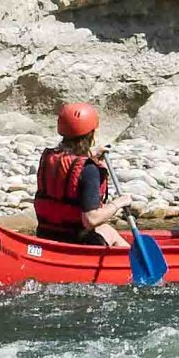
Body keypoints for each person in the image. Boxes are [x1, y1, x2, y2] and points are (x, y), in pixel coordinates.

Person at [33, 102, 134, 248]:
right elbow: (91, 220)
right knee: (109, 232)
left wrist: (91, 154)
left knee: (105, 229)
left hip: (46, 234)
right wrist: (118, 203)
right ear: (91, 134)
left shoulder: (49, 158)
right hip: (75, 241)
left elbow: (69, 163)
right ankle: (131, 267)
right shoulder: (89, 170)